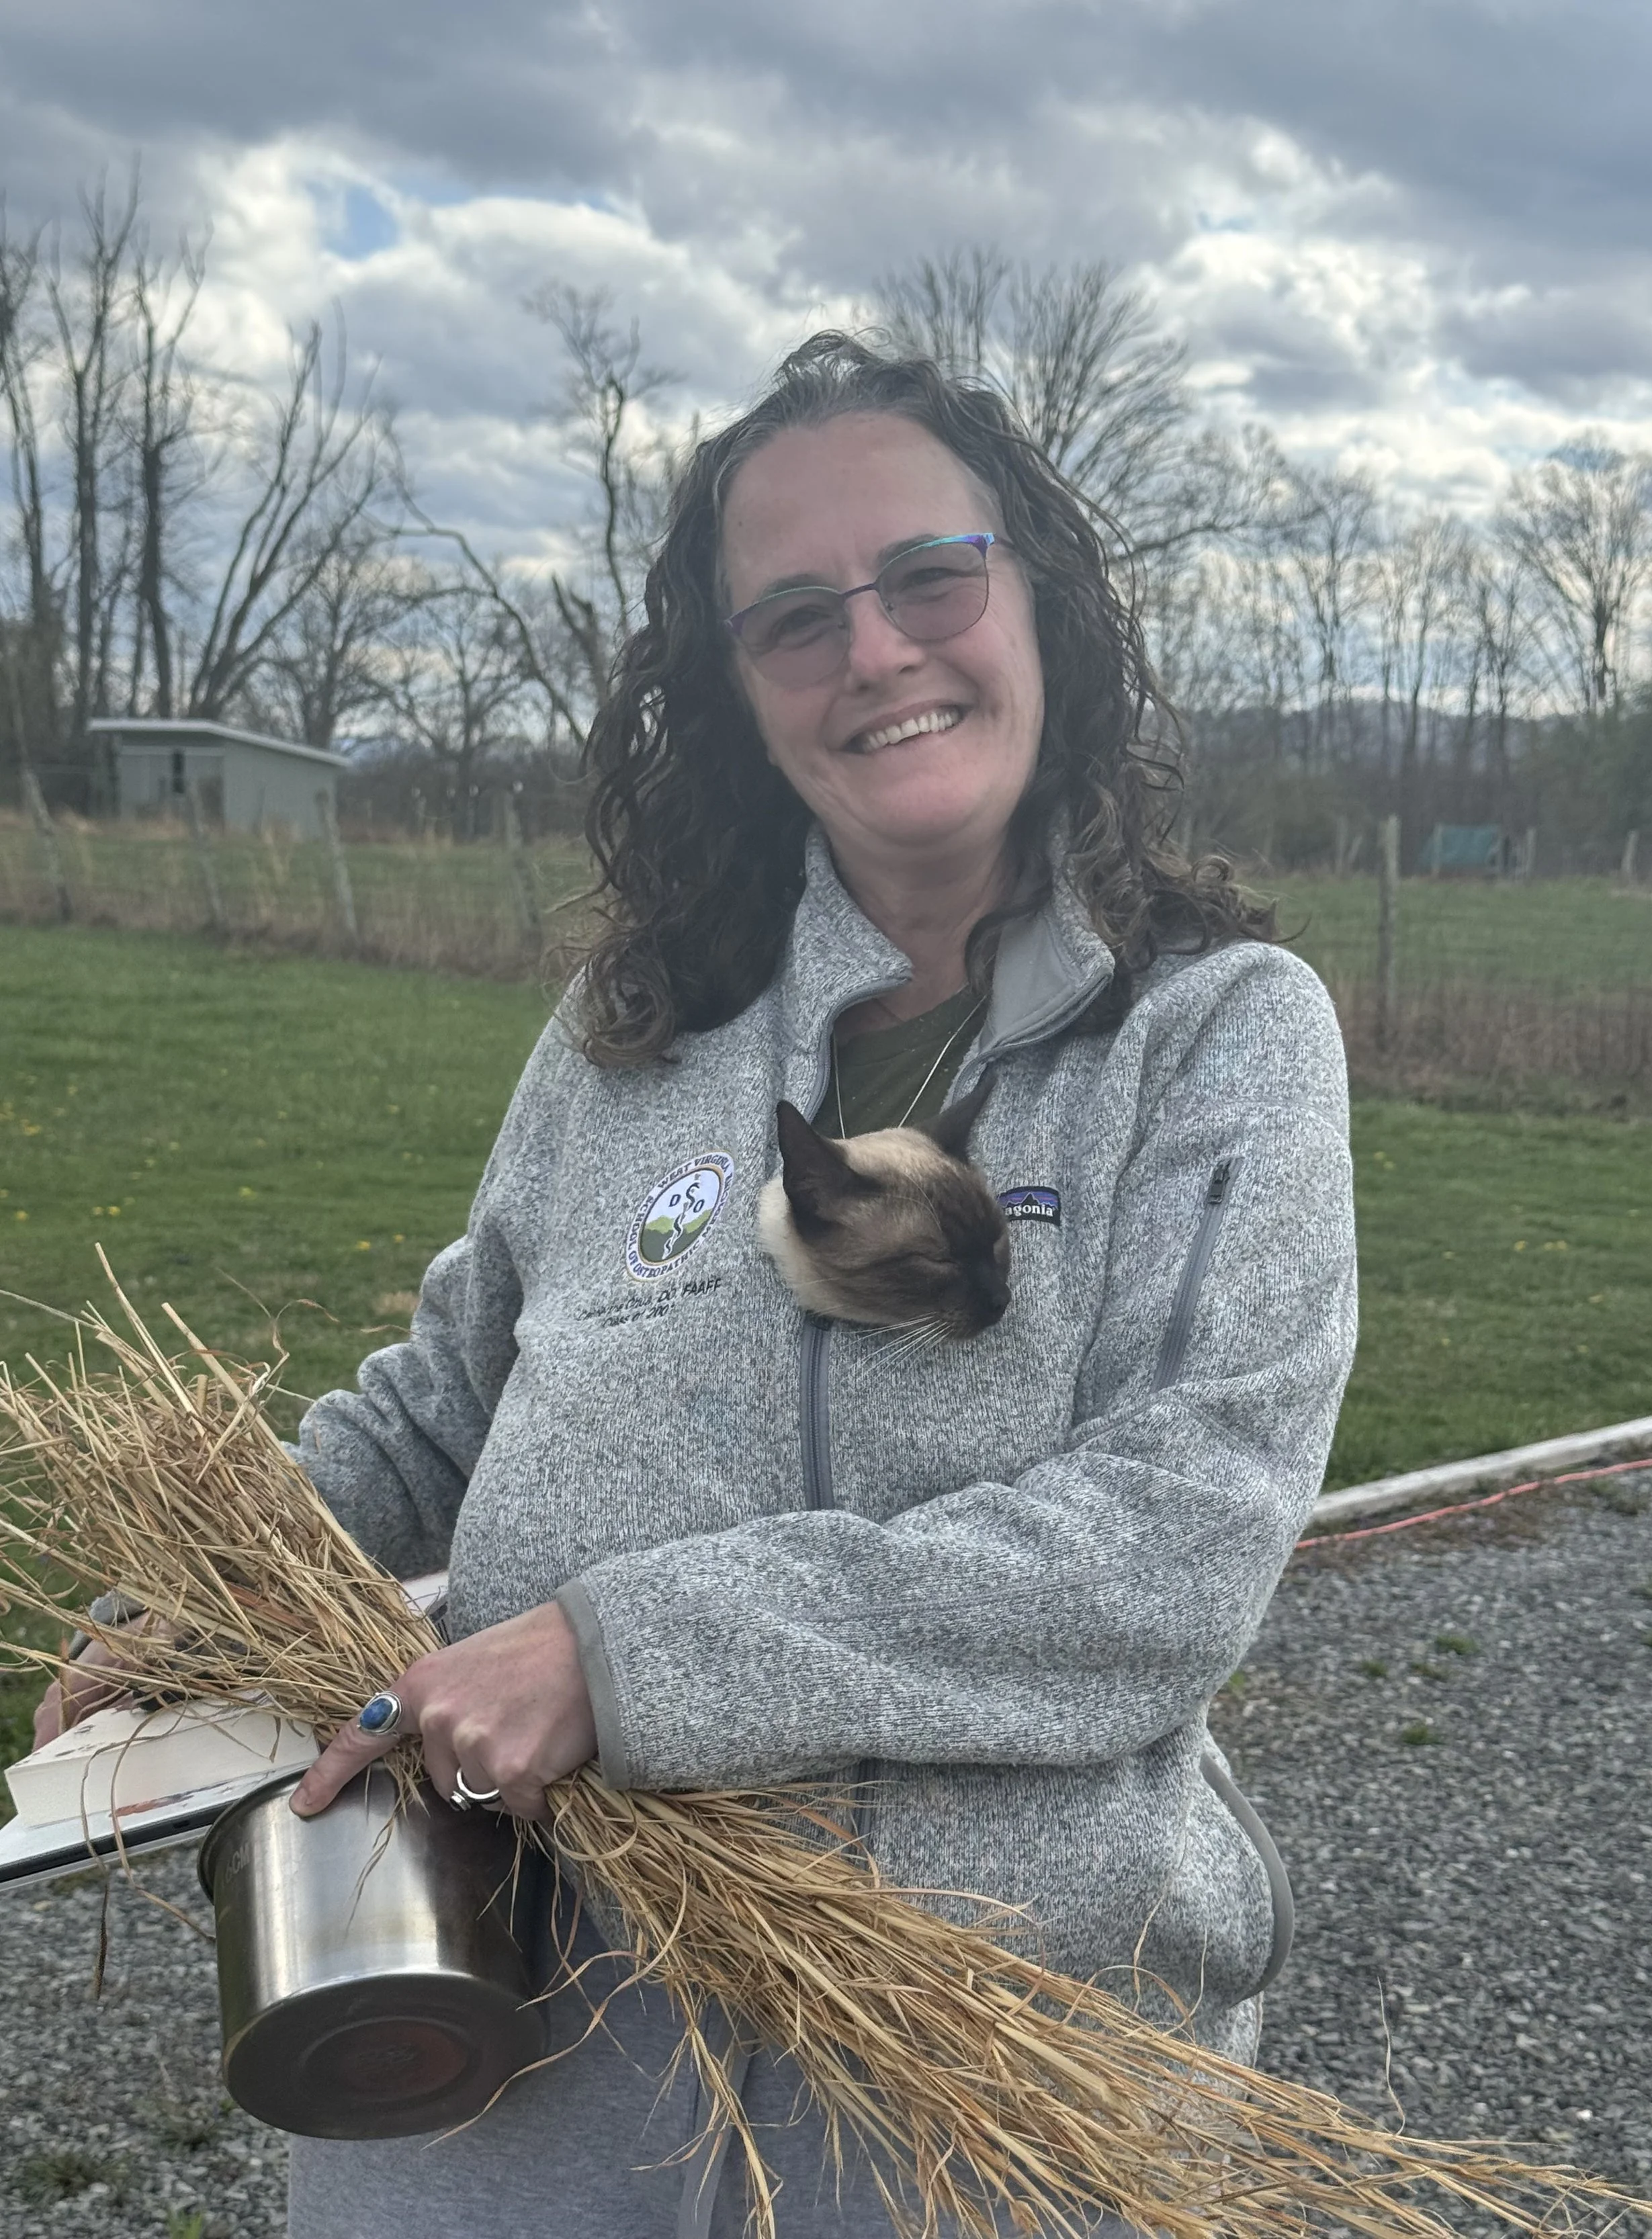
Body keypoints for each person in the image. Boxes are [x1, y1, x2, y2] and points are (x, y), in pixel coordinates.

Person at [41, 333, 1358, 2239]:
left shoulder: (1215, 1035)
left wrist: (621, 1653)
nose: (878, 651)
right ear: (736, 693)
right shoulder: (634, 1034)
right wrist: (202, 1575)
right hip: (525, 2069)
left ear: (1040, 605)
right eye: (794, 617)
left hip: (973, 2088)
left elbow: (1177, 1540)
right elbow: (445, 1393)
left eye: (929, 575)